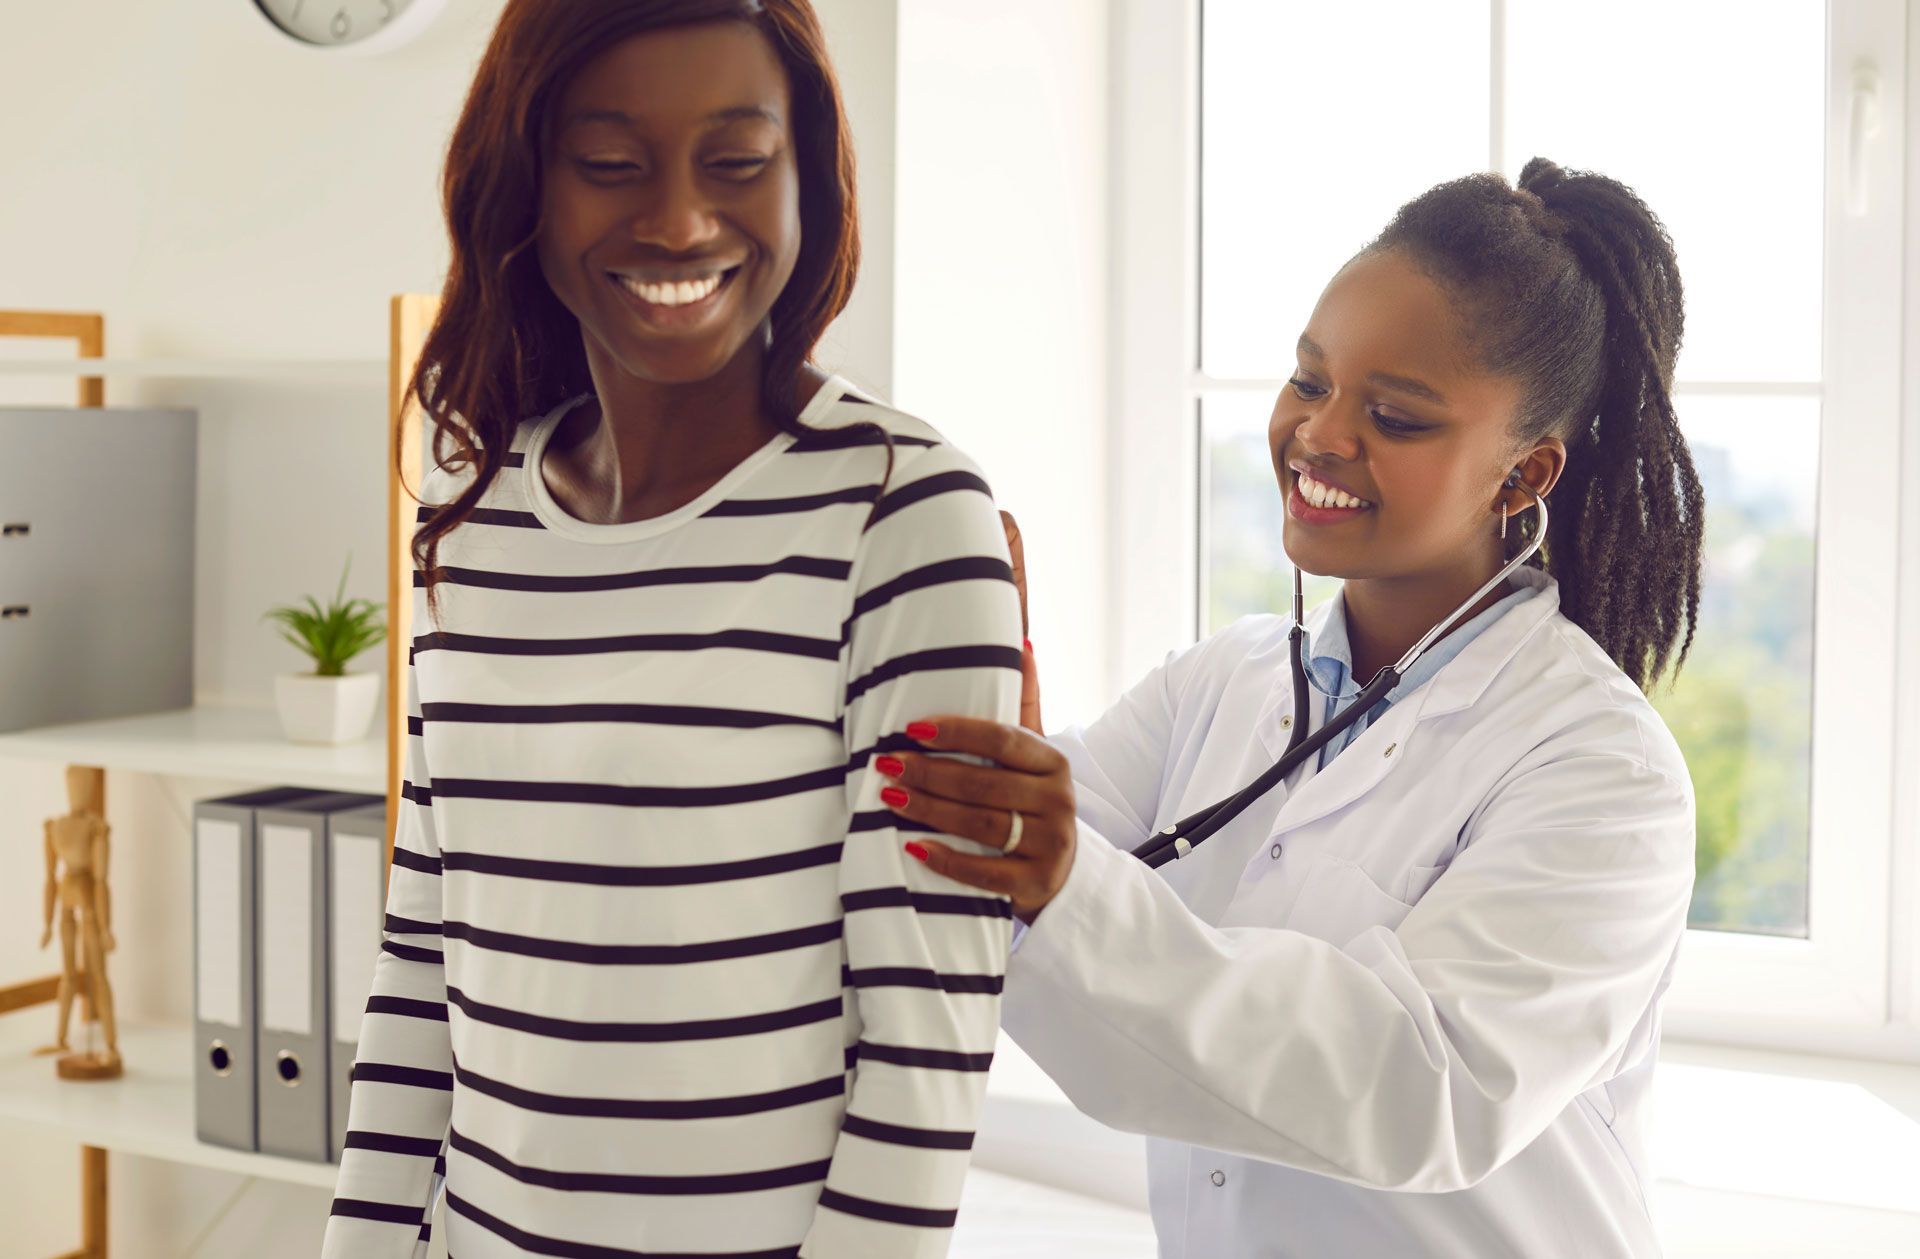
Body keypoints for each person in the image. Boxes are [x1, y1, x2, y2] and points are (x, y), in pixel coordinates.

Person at [875, 159, 1704, 1257]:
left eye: (1396, 416)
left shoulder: (1602, 770)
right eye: (1310, 381)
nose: (1320, 435)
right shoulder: (1217, 686)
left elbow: (1425, 1088)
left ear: (1522, 476)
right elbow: (979, 873)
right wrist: (967, 742)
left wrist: (1059, 872)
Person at [321, 3, 1022, 1256]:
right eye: (610, 164)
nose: (681, 220)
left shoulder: (903, 510)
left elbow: (925, 1040)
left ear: (811, 180)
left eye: (738, 162)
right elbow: (426, 947)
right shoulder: (476, 514)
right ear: (525, 188)